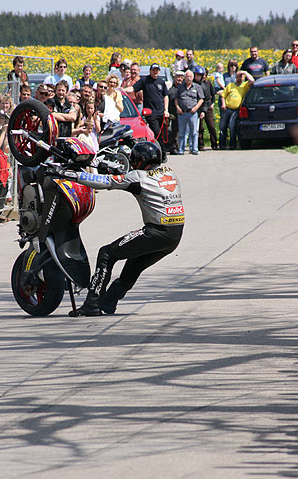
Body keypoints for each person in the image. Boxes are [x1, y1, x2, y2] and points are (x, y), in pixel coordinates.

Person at [52, 141, 184, 317]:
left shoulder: (139, 178)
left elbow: (106, 182)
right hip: (175, 235)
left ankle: (92, 303)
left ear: (140, 160)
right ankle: (108, 301)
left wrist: (69, 175)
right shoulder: (169, 173)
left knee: (106, 253)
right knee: (134, 265)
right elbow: (128, 178)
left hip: (156, 232)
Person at [127, 63, 170, 162]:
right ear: (150, 71)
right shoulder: (144, 80)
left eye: (157, 70)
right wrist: (122, 90)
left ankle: (161, 152)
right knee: (157, 133)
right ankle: (162, 154)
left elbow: (166, 96)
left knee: (162, 134)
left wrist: (166, 110)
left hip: (161, 113)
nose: (155, 72)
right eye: (153, 70)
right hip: (150, 113)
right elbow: (133, 88)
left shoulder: (161, 81)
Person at [219, 70, 254, 150]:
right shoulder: (230, 85)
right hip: (226, 109)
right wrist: (223, 104)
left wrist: (245, 72)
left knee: (232, 127)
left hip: (236, 110)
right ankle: (222, 145)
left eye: (241, 77)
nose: (239, 78)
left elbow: (252, 80)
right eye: (238, 76)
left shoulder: (245, 85)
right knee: (222, 127)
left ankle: (232, 145)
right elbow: (223, 95)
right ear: (235, 77)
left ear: (243, 77)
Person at [175, 70, 204, 155]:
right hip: (182, 113)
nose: (189, 78)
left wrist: (196, 108)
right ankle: (181, 150)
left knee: (194, 132)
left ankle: (194, 149)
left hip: (192, 113)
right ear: (184, 78)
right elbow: (176, 99)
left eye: (190, 76)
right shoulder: (180, 87)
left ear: (193, 77)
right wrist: (178, 108)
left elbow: (201, 99)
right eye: (187, 76)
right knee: (182, 133)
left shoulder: (197, 87)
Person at [195, 67, 217, 151]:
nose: (203, 77)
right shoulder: (195, 84)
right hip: (198, 108)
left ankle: (214, 144)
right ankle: (200, 145)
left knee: (211, 126)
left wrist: (212, 103)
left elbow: (211, 95)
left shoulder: (208, 83)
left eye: (204, 75)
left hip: (207, 107)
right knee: (199, 128)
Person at [167, 70, 184, 154]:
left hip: (183, 112)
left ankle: (181, 147)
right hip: (172, 112)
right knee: (173, 131)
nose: (179, 79)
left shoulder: (184, 88)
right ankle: (173, 147)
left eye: (181, 77)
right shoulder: (170, 89)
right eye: (178, 77)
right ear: (174, 78)